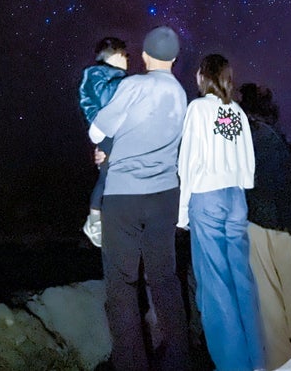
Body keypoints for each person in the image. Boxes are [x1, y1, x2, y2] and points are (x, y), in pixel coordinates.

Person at [89, 26, 190, 371]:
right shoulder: (181, 95)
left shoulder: (132, 85)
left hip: (124, 196)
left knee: (121, 285)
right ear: (174, 59)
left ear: (145, 56)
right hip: (165, 196)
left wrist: (108, 148)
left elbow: (98, 130)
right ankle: (179, 360)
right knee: (164, 279)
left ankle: (132, 364)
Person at [178, 54, 266, 371]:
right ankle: (257, 358)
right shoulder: (236, 112)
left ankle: (232, 364)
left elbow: (188, 162)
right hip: (236, 198)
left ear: (203, 76)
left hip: (208, 197)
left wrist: (182, 212)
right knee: (242, 279)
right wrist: (241, 186)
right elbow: (247, 159)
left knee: (215, 285)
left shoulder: (198, 109)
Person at [239, 84, 291, 371]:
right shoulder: (277, 136)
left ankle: (282, 361)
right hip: (286, 223)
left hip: (259, 222)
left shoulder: (248, 133)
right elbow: (288, 184)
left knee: (268, 296)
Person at [78, 36, 128, 246]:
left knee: (109, 175)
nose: (128, 61)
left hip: (110, 132)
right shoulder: (101, 75)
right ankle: (95, 220)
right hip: (107, 131)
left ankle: (102, 220)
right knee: (108, 175)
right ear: (115, 56)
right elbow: (108, 102)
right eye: (125, 56)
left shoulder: (106, 76)